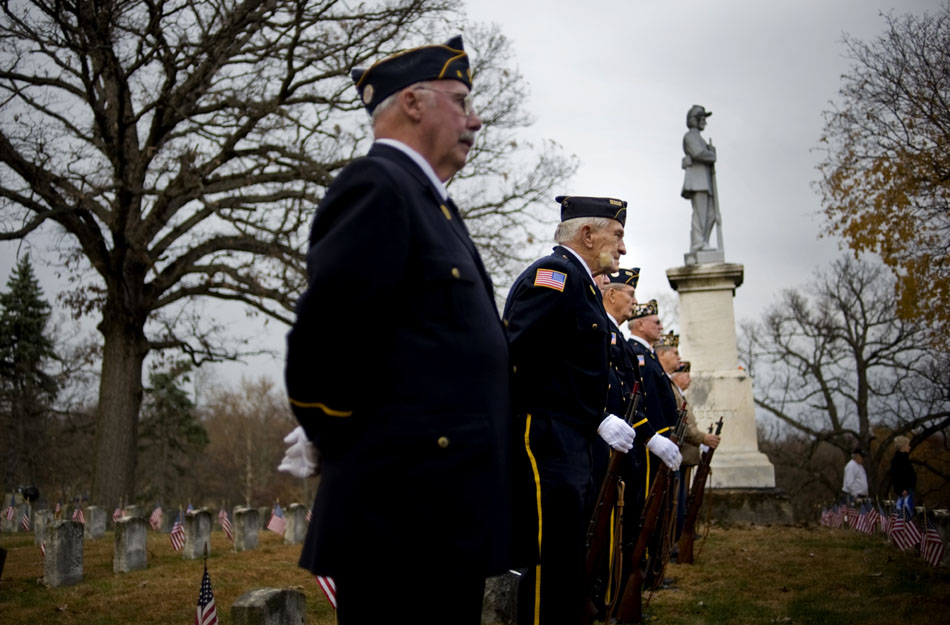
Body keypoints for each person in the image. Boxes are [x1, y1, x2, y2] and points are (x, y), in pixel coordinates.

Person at [281, 36, 511, 625]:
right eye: (461, 101)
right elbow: (321, 345)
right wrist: (339, 440)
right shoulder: (377, 187)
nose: (475, 119)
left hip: (440, 514)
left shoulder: (434, 206)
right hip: (401, 514)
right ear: (413, 101)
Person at [504, 195, 640, 625]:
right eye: (617, 236)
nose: (622, 248)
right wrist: (594, 416)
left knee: (565, 560)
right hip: (545, 438)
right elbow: (519, 359)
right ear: (586, 234)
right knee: (548, 561)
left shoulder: (578, 285)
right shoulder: (555, 277)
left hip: (567, 439)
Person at [681, 105, 717, 253]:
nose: (705, 122)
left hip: (704, 181)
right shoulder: (690, 137)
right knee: (700, 213)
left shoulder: (699, 138)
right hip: (697, 182)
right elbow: (698, 153)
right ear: (694, 120)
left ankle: (704, 242)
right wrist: (712, 155)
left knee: (711, 215)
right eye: (702, 118)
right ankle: (698, 243)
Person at [890, 435, 916, 513]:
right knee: (905, 514)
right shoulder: (897, 460)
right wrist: (901, 489)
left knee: (909, 513)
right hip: (905, 492)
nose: (909, 447)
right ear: (903, 446)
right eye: (908, 445)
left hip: (910, 490)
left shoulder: (905, 459)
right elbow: (896, 476)